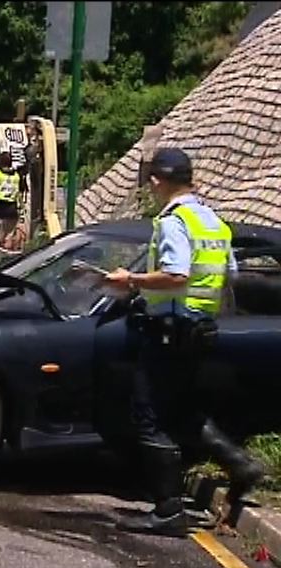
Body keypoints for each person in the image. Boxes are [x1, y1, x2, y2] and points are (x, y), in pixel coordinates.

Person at [104, 147, 265, 537]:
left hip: (169, 331)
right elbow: (229, 276)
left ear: (158, 181)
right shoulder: (212, 221)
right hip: (199, 331)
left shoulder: (175, 222)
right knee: (181, 412)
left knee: (149, 416)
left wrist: (132, 281)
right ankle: (240, 464)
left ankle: (167, 510)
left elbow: (175, 274)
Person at [0, 151, 26, 246]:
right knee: (8, 239)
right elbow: (21, 193)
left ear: (0, 162)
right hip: (12, 213)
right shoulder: (17, 176)